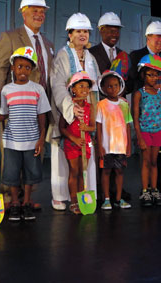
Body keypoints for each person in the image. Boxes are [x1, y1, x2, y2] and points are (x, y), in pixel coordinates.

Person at [0, 0, 54, 210]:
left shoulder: (46, 42)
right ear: (23, 13)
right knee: (13, 153)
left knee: (34, 153)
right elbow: (0, 69)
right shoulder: (10, 37)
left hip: (38, 106)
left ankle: (27, 198)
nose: (39, 14)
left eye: (42, 11)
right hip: (15, 105)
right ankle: (9, 197)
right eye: (34, 11)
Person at [0, 47, 50, 221]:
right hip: (12, 142)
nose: (23, 70)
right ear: (13, 68)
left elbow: (42, 116)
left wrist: (40, 139)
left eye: (27, 67)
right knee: (12, 174)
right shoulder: (7, 90)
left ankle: (26, 202)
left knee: (31, 174)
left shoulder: (38, 89)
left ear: (32, 70)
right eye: (19, 66)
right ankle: (15, 203)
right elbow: (4, 113)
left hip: (32, 141)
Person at [50, 13, 100, 211]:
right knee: (66, 162)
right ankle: (63, 197)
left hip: (87, 117)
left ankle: (86, 196)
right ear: (69, 34)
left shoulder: (90, 57)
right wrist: (72, 109)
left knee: (86, 163)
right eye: (78, 31)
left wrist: (93, 115)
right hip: (68, 115)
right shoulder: (62, 55)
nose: (82, 34)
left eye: (86, 31)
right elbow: (58, 85)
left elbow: (95, 89)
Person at [129, 21, 161, 191]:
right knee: (146, 157)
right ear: (148, 37)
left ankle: (160, 181)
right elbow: (133, 79)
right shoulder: (136, 56)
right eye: (158, 36)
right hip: (144, 110)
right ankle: (145, 189)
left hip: (160, 106)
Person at [132, 54, 161, 207]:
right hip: (145, 132)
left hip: (158, 131)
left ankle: (154, 189)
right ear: (143, 75)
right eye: (150, 75)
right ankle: (145, 190)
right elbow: (135, 116)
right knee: (145, 162)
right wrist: (139, 137)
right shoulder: (140, 93)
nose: (154, 78)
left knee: (154, 162)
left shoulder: (159, 93)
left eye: (156, 75)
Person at [59, 71, 96, 214]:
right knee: (74, 172)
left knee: (83, 172)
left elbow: (92, 126)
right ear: (73, 89)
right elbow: (61, 128)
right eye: (81, 86)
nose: (85, 90)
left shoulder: (90, 107)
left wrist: (87, 128)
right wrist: (73, 138)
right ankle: (73, 201)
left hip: (85, 144)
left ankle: (82, 200)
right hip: (72, 144)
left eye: (87, 87)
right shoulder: (68, 106)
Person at [96, 70, 133, 210]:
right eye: (109, 86)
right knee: (105, 172)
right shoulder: (101, 105)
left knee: (119, 171)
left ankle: (118, 198)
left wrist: (128, 145)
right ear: (104, 88)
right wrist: (100, 146)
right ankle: (106, 199)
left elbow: (128, 126)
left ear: (120, 86)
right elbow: (98, 127)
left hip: (120, 146)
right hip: (106, 147)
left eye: (116, 85)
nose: (113, 89)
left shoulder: (124, 104)